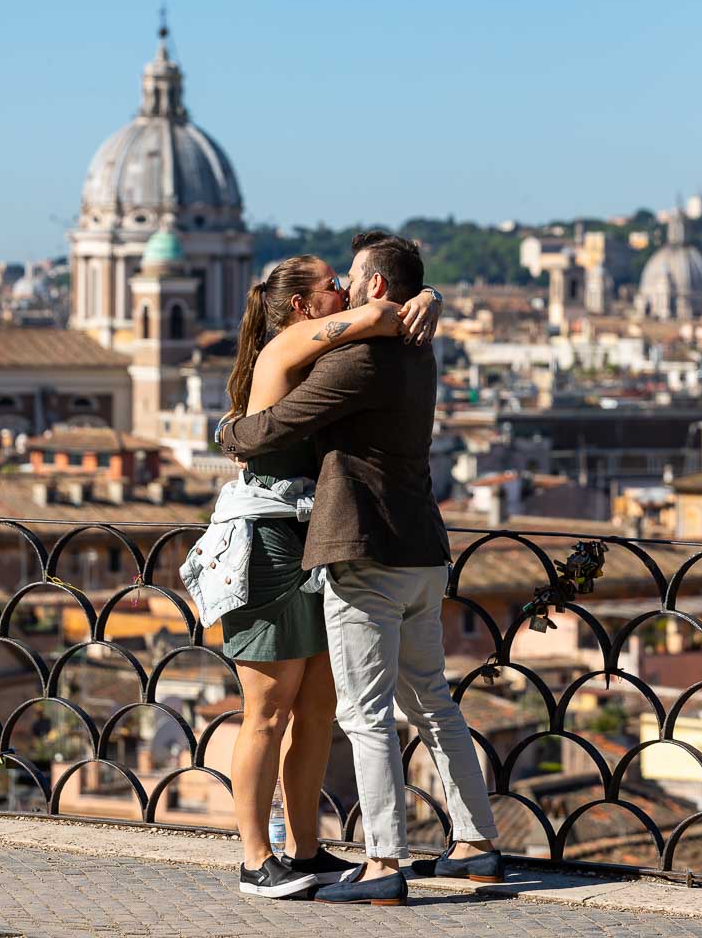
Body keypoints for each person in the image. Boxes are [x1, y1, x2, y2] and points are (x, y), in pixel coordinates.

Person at [219, 232, 501, 908]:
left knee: (351, 710)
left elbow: (256, 433)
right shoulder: (405, 347)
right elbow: (272, 426)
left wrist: (224, 432)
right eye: (331, 285)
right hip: (373, 546)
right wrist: (417, 299)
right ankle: (469, 844)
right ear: (299, 304)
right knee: (406, 702)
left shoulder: (361, 356)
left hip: (357, 548)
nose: (343, 289)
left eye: (349, 279)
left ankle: (375, 861)